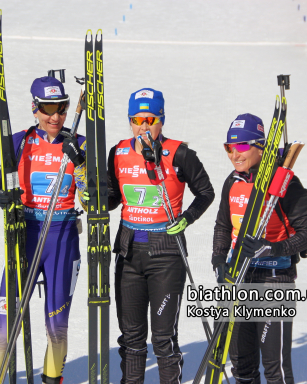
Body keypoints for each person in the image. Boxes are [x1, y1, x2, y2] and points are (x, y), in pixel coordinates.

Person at [107, 88, 215, 383]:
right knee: (131, 339)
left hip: (166, 253)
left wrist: (186, 219)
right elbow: (111, 199)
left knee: (163, 339)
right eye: (136, 120)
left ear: (161, 120)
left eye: (149, 119)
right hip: (129, 251)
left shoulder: (179, 153)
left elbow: (206, 192)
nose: (143, 126)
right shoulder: (118, 152)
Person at [0, 76, 87, 384]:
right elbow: (1, 188)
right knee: (6, 324)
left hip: (63, 237)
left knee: (57, 325)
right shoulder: (18, 141)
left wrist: (81, 164)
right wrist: (4, 197)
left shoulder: (80, 143)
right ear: (35, 108)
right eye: (47, 109)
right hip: (25, 236)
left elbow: (91, 199)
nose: (55, 117)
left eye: (61, 108)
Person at [211, 113, 307, 384]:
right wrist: (219, 259)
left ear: (261, 148)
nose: (235, 153)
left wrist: (271, 248)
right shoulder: (232, 182)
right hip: (239, 278)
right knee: (242, 366)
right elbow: (223, 226)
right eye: (229, 147)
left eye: (243, 146)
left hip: (274, 281)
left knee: (275, 369)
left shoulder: (285, 183)